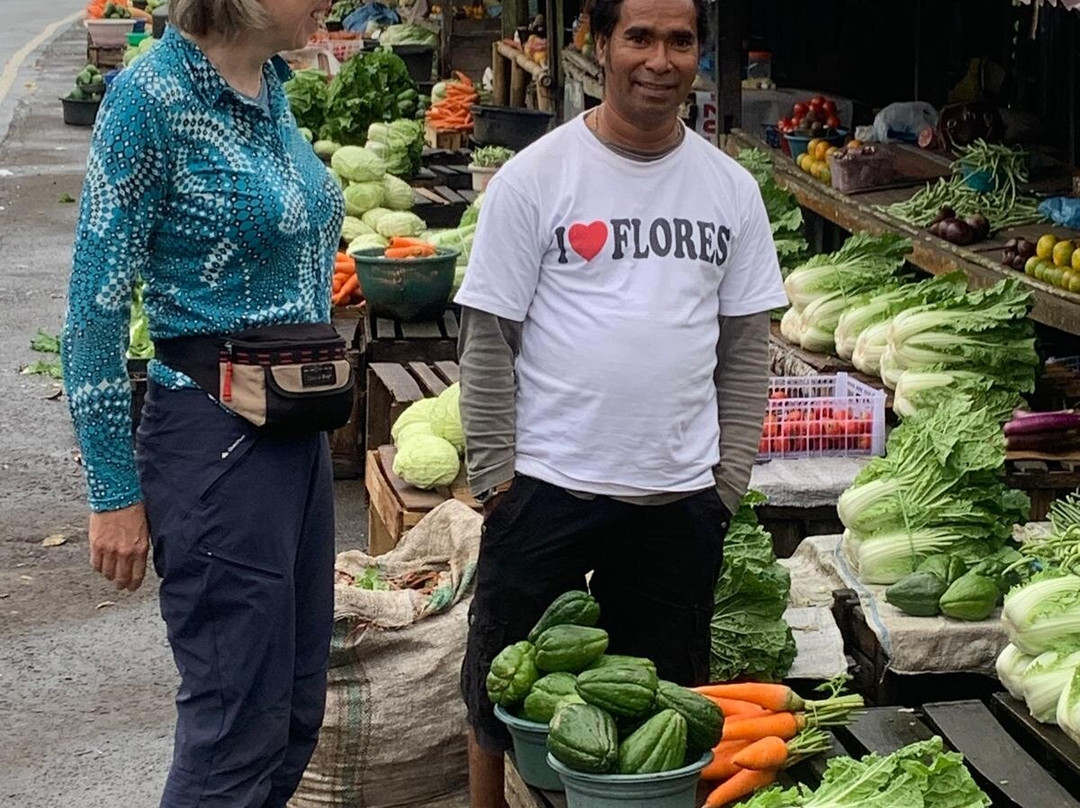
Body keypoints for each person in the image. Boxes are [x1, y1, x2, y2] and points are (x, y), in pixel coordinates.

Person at [453, 0, 788, 803]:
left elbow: (745, 348)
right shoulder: (537, 178)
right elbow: (488, 337)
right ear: (598, 44)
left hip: (678, 497)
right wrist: (496, 479)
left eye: (679, 41)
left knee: (659, 709)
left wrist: (727, 480)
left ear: (698, 55)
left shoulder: (730, 190)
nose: (659, 60)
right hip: (546, 482)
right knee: (501, 688)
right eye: (639, 36)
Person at [60, 1, 344, 806]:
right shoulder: (151, 97)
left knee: (292, 713)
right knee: (233, 730)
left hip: (294, 432)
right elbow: (94, 308)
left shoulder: (270, 87)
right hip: (216, 442)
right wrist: (114, 493)